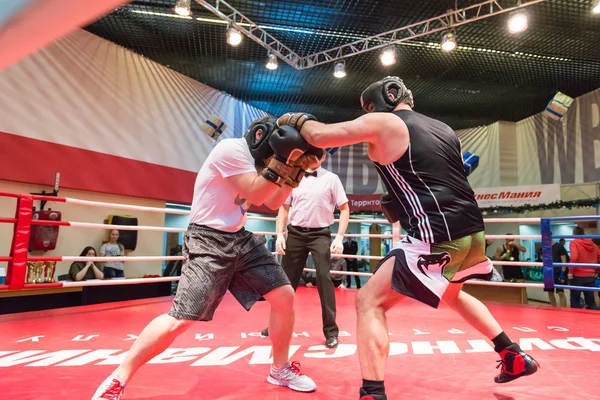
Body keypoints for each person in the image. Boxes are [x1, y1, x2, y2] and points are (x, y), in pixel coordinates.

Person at [276, 76, 540, 400]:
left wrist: (289, 122)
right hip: (472, 235)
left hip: (436, 236)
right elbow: (438, 180)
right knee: (452, 296)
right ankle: (512, 355)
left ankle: (372, 393)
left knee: (368, 301)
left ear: (383, 100)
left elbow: (317, 135)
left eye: (370, 109)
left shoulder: (385, 123)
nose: (369, 115)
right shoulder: (444, 130)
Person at [92, 117, 321, 399]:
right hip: (207, 240)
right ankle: (118, 378)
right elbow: (257, 194)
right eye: (274, 155)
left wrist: (296, 170)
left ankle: (279, 368)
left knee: (285, 296)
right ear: (261, 138)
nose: (273, 160)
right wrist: (287, 160)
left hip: (238, 238)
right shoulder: (231, 150)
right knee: (181, 320)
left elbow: (275, 202)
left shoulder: (259, 162)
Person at [261, 153, 350, 348]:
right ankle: (274, 324)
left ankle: (331, 332)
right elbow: (283, 208)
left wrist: (340, 237)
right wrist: (280, 234)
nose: (311, 161)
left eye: (315, 157)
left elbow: (344, 208)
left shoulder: (331, 179)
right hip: (295, 233)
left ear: (323, 157)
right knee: (285, 282)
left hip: (320, 234)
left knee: (325, 280)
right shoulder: (294, 177)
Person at [567, 226, 600, 310]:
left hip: (577, 276)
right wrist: (596, 271)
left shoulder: (574, 243)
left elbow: (574, 257)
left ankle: (576, 322)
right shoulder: (593, 244)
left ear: (574, 234)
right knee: (590, 302)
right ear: (584, 234)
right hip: (591, 276)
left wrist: (570, 272)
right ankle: (595, 321)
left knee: (575, 302)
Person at [544, 235, 567, 307]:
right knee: (550, 292)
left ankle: (563, 310)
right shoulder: (545, 248)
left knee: (560, 292)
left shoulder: (559, 246)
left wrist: (563, 273)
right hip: (548, 272)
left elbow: (564, 261)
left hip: (558, 271)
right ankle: (554, 309)